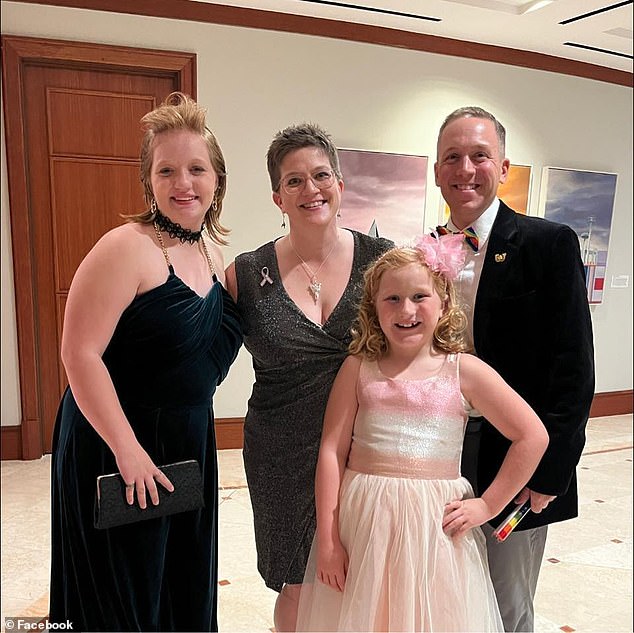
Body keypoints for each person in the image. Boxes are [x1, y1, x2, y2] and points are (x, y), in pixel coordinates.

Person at [49, 92, 242, 632]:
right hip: (117, 441)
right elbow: (78, 353)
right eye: (167, 170)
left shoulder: (211, 252)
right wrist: (127, 451)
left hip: (187, 441)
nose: (184, 182)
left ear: (217, 181)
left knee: (177, 583)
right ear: (148, 181)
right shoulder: (124, 248)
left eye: (197, 169)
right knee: (122, 593)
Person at [295, 238, 549, 632]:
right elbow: (331, 451)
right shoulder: (358, 368)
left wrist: (488, 506)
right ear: (373, 309)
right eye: (392, 299)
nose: (406, 310)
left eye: (419, 296)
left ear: (444, 302)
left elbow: (533, 436)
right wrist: (328, 542)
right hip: (365, 522)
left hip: (435, 530)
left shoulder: (464, 371)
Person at [225, 123, 393, 632]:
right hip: (280, 452)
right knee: (296, 583)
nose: (310, 189)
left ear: (341, 185)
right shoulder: (247, 273)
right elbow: (201, 356)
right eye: (293, 180)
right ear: (277, 196)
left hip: (365, 447)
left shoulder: (380, 262)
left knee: (361, 573)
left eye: (321, 175)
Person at [434, 106, 595, 632]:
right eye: (452, 157)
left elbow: (573, 369)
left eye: (480, 156)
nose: (465, 169)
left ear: (503, 168)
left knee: (507, 600)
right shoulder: (426, 250)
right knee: (449, 588)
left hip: (519, 461)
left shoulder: (549, 244)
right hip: (442, 453)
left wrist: (551, 472)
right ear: (438, 171)